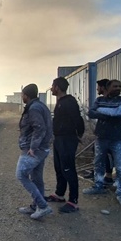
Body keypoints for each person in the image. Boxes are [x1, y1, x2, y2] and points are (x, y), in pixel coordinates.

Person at [83, 79, 121, 207]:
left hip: (117, 139)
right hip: (101, 137)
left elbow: (120, 112)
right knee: (98, 163)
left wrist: (101, 111)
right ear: (108, 87)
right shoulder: (100, 100)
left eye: (119, 86)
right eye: (115, 86)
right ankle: (98, 186)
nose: (118, 88)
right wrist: (110, 115)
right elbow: (91, 113)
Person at [16, 84, 53, 220]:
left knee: (21, 174)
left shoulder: (34, 108)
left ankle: (43, 206)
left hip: (34, 150)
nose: (22, 97)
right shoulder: (40, 106)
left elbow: (40, 128)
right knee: (37, 178)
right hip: (41, 148)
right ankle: (36, 206)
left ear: (26, 95)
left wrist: (32, 147)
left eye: (22, 95)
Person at [49, 77, 85, 213]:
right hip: (59, 139)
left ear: (57, 87)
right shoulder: (60, 102)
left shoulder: (69, 102)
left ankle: (73, 201)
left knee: (68, 169)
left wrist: (78, 135)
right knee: (59, 167)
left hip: (67, 139)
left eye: (53, 86)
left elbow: (78, 119)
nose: (51, 88)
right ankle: (59, 194)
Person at [83, 78, 114, 183]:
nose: (97, 89)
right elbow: (91, 113)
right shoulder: (100, 100)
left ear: (103, 88)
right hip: (101, 131)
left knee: (107, 153)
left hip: (110, 132)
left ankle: (108, 176)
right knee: (96, 151)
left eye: (98, 87)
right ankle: (99, 172)